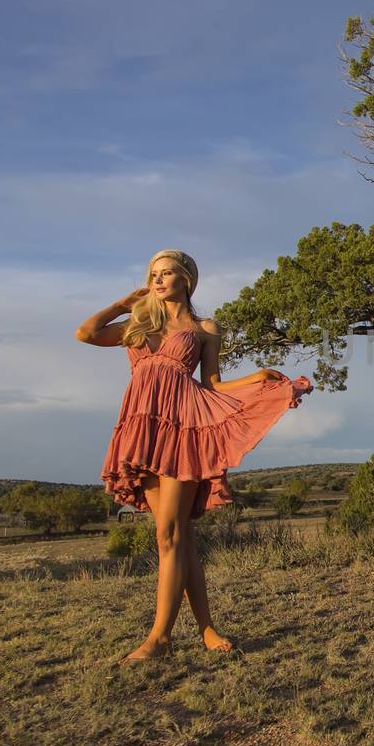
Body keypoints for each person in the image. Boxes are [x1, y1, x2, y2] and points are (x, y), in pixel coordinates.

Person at [75, 248, 312, 663]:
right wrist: (122, 303)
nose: (159, 280)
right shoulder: (138, 323)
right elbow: (87, 333)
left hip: (183, 430)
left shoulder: (204, 327)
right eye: (153, 274)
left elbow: (213, 384)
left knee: (170, 534)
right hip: (143, 427)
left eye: (167, 273)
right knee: (177, 536)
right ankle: (206, 629)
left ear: (187, 278)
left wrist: (256, 378)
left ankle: (159, 639)